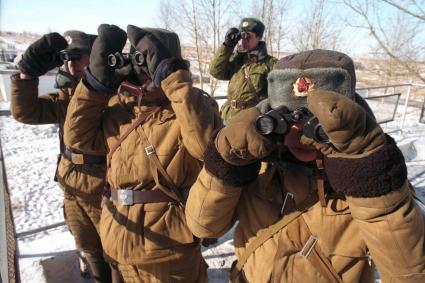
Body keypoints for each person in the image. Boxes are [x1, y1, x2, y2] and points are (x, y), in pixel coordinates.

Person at [186, 49, 425, 282]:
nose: (299, 134)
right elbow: (202, 226)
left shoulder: (370, 181)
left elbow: (411, 275)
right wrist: (225, 162)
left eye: (314, 123)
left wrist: (370, 177)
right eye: (287, 119)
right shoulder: (258, 168)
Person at [63, 24, 222, 282]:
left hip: (168, 251)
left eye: (147, 60)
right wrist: (94, 85)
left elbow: (207, 148)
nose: (141, 70)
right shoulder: (119, 107)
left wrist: (173, 79)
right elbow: (76, 139)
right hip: (117, 239)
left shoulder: (191, 107)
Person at [10, 31, 116, 282]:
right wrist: (28, 72)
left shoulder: (114, 96)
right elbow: (26, 112)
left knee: (114, 250)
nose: (71, 65)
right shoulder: (66, 98)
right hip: (72, 187)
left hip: (103, 189)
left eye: (79, 57)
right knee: (88, 247)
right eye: (68, 58)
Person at [209, 17, 277, 124]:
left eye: (248, 36)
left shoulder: (270, 63)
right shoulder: (236, 61)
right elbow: (215, 71)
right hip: (227, 118)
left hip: (250, 120)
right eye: (241, 36)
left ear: (258, 37)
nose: (243, 40)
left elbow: (277, 96)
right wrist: (227, 45)